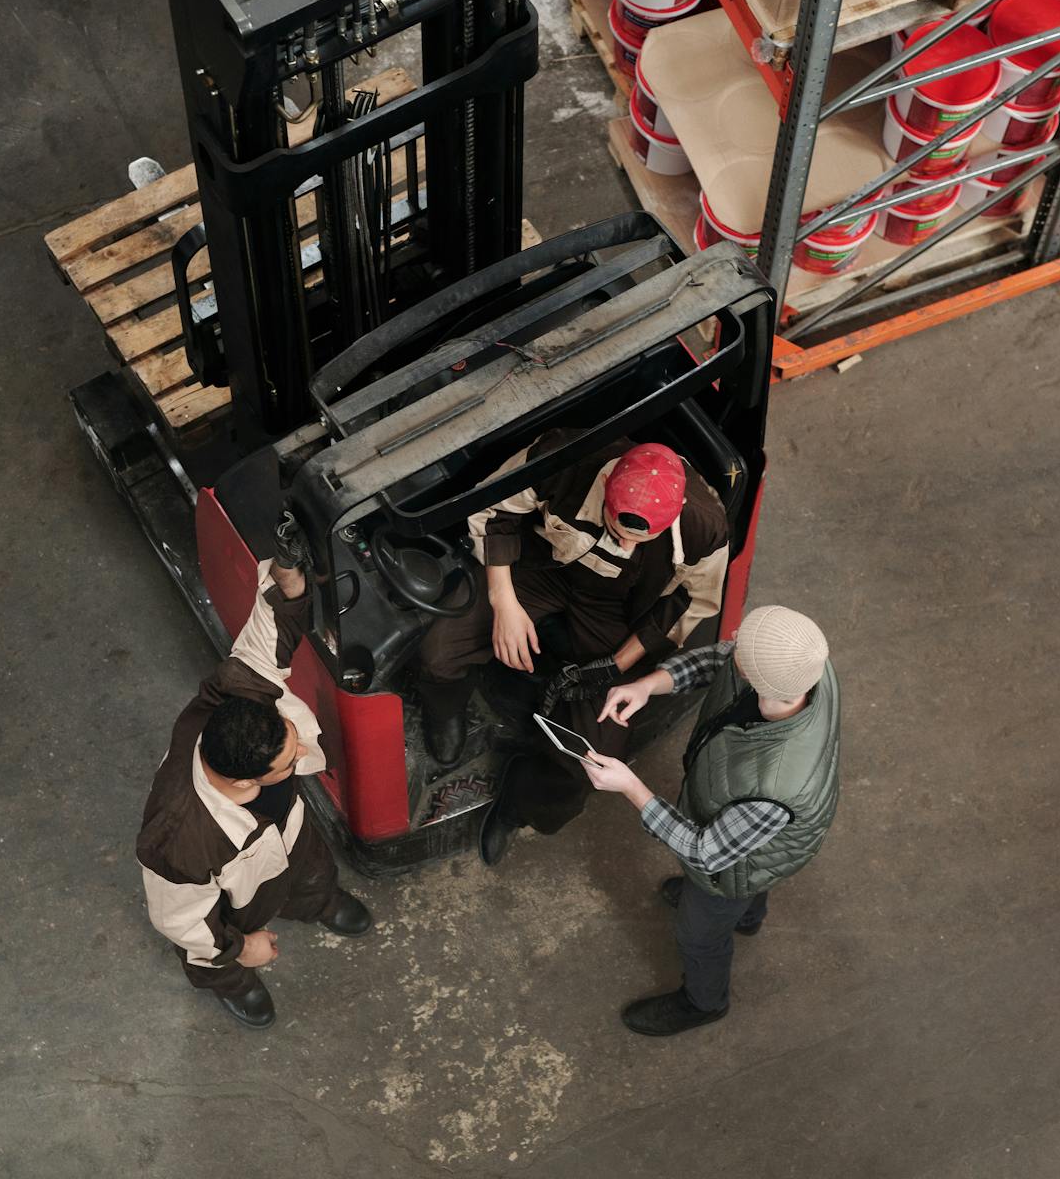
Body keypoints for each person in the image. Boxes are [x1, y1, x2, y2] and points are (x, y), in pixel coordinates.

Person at [415, 428, 730, 865]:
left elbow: (689, 603)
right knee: (440, 650)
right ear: (605, 490)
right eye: (619, 529)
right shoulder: (559, 460)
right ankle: (446, 709)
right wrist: (503, 602)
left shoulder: (705, 526)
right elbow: (491, 510)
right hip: (540, 568)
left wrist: (614, 664)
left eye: (639, 540)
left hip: (618, 609)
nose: (624, 544)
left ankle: (519, 802)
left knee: (594, 759)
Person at [135, 541, 374, 1030]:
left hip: (284, 828)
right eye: (290, 761)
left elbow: (264, 636)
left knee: (307, 864)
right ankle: (233, 983)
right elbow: (180, 920)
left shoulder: (240, 697)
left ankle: (319, 899)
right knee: (212, 946)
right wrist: (243, 948)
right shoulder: (178, 840)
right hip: (229, 883)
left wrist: (289, 583)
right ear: (245, 781)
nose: (304, 754)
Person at [580, 605, 840, 1037]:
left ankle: (704, 1002)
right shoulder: (803, 668)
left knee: (699, 933)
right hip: (761, 839)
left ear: (762, 682)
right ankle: (746, 916)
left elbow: (705, 851)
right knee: (749, 884)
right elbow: (721, 661)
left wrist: (630, 786)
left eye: (744, 647)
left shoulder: (776, 788)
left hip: (731, 864)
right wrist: (648, 685)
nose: (734, 637)